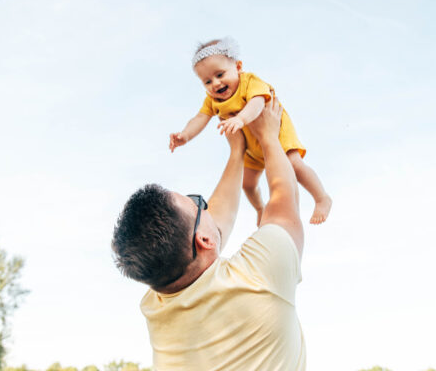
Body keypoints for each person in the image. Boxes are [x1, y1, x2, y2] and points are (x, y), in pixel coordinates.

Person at [113, 96, 311, 370]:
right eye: (197, 203)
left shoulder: (156, 306)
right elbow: (283, 198)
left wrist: (237, 152)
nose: (206, 206)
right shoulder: (260, 274)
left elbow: (213, 226)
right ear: (202, 240)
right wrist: (269, 137)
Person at [169, 37, 332, 225]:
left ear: (238, 67)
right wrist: (185, 135)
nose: (215, 83)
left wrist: (240, 119)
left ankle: (321, 197)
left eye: (220, 75)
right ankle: (260, 208)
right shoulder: (212, 100)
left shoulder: (249, 81)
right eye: (207, 81)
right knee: (248, 183)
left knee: (294, 165)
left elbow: (258, 102)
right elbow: (200, 118)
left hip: (276, 135)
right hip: (252, 145)